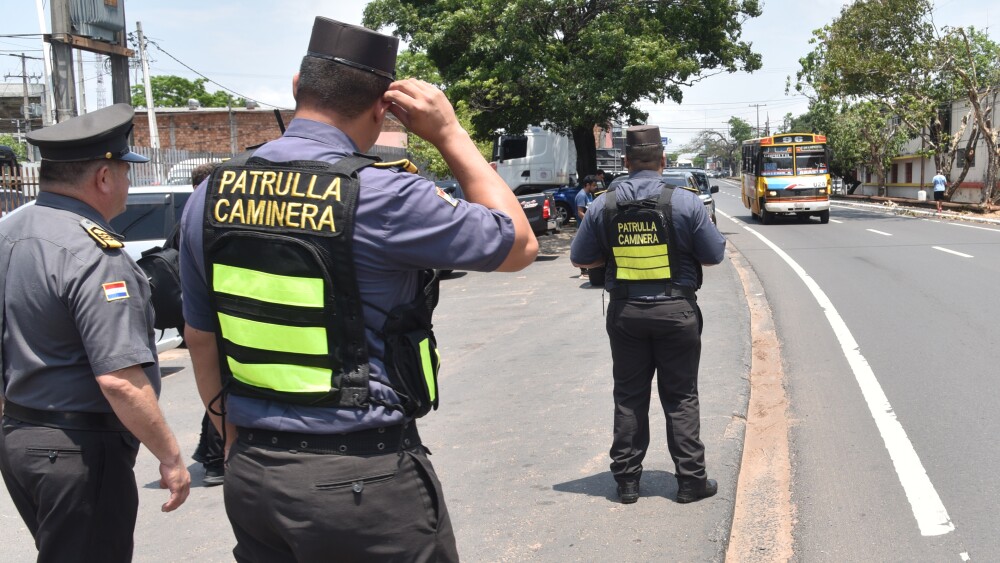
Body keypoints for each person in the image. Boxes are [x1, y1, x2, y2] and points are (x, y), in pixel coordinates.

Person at [179, 17, 537, 561]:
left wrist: (231, 442)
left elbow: (200, 337)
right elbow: (518, 246)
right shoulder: (384, 195)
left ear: (298, 86)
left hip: (255, 475)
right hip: (359, 482)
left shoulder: (210, 195)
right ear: (383, 107)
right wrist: (449, 133)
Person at [0, 103, 191, 562]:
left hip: (21, 438)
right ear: (103, 177)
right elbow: (119, 379)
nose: (129, 181)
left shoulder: (10, 231)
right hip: (79, 451)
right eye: (126, 170)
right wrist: (169, 455)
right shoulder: (95, 254)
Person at [570, 125, 726, 505]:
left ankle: (626, 482)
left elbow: (581, 258)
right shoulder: (686, 202)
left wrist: (612, 253)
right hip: (677, 313)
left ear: (625, 162)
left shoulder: (603, 204)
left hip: (626, 314)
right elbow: (714, 255)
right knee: (681, 397)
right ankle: (691, 481)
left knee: (629, 396)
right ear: (663, 161)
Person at [187, 161, 225, 486]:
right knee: (218, 388)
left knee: (213, 392)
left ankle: (211, 453)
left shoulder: (190, 216)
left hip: (203, 318)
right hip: (212, 322)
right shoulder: (203, 217)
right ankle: (215, 457)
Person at [575, 175, 599, 278]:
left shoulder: (589, 194)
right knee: (584, 248)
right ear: (587, 185)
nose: (595, 187)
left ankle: (588, 269)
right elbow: (580, 212)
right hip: (583, 227)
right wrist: (589, 222)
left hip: (590, 227)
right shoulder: (582, 195)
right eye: (593, 185)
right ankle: (583, 272)